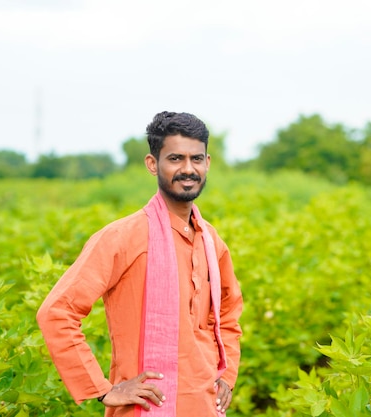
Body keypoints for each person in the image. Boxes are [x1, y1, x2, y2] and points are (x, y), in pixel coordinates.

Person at [37, 111, 243, 417]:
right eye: (175, 158)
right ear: (152, 163)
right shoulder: (123, 238)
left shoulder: (211, 241)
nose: (188, 169)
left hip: (204, 406)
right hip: (144, 409)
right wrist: (103, 389)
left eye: (196, 159)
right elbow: (57, 312)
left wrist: (226, 376)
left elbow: (228, 315)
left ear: (208, 163)